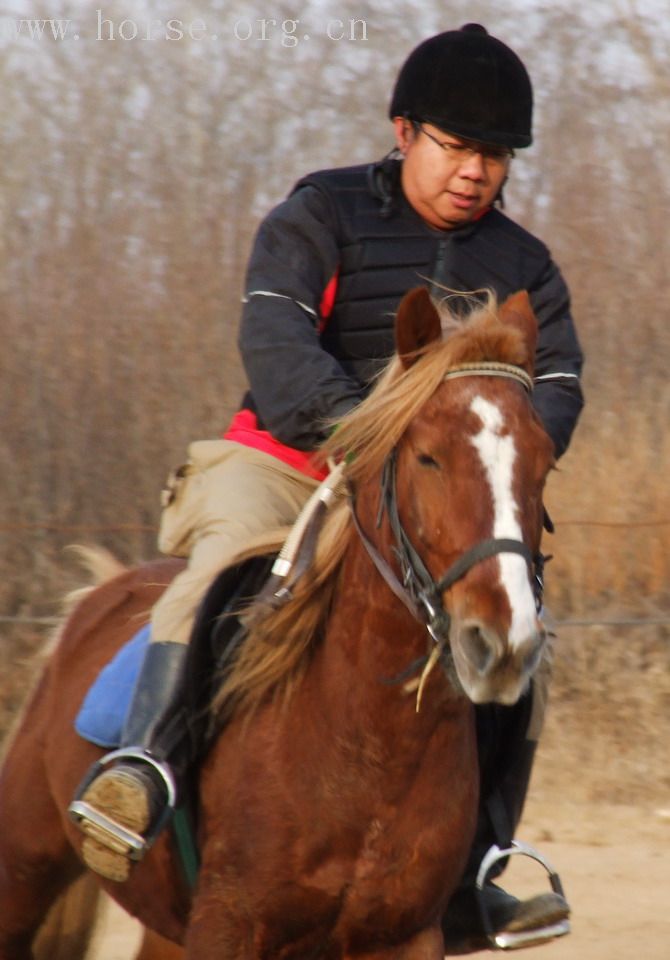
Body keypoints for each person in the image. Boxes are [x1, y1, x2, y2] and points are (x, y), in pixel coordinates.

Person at [69, 23, 583, 947]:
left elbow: (559, 387)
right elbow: (276, 348)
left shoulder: (526, 268)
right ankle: (143, 770)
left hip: (441, 487)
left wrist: (509, 458)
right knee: (221, 570)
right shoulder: (318, 215)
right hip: (286, 462)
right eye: (456, 145)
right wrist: (366, 436)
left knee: (517, 633)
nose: (475, 169)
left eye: (495, 154)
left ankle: (485, 858)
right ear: (404, 131)